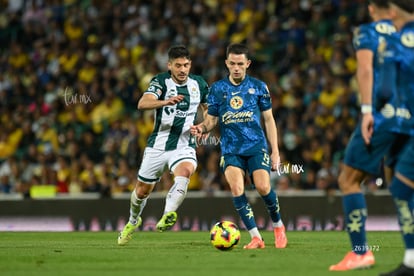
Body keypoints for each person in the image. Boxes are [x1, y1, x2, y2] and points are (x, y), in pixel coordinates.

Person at [329, 0, 404, 271]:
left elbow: (365, 69)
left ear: (373, 8)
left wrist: (367, 111)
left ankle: (360, 252)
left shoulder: (367, 32)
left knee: (348, 179)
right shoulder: (408, 33)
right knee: (403, 184)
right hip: (408, 115)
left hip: (383, 115)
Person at [190, 43, 287, 249]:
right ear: (226, 63)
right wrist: (202, 128)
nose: (236, 67)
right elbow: (211, 121)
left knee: (262, 187)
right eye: (232, 63)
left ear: (248, 64)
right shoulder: (217, 89)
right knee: (236, 187)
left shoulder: (259, 87)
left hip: (255, 146)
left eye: (240, 64)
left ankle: (278, 226)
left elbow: (269, 120)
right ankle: (256, 237)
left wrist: (275, 151)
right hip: (231, 148)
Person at [118, 45, 209, 245]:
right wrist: (165, 102)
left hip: (184, 145)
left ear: (190, 64)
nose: (183, 69)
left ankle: (168, 215)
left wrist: (204, 126)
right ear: (169, 65)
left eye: (186, 65)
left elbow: (210, 112)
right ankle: (133, 221)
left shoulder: (199, 84)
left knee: (184, 172)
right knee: (142, 191)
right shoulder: (160, 81)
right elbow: (143, 103)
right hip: (158, 146)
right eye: (178, 65)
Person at [378, 1, 414, 275]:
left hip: (407, 125)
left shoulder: (395, 42)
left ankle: (412, 261)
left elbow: (385, 90)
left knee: (401, 188)